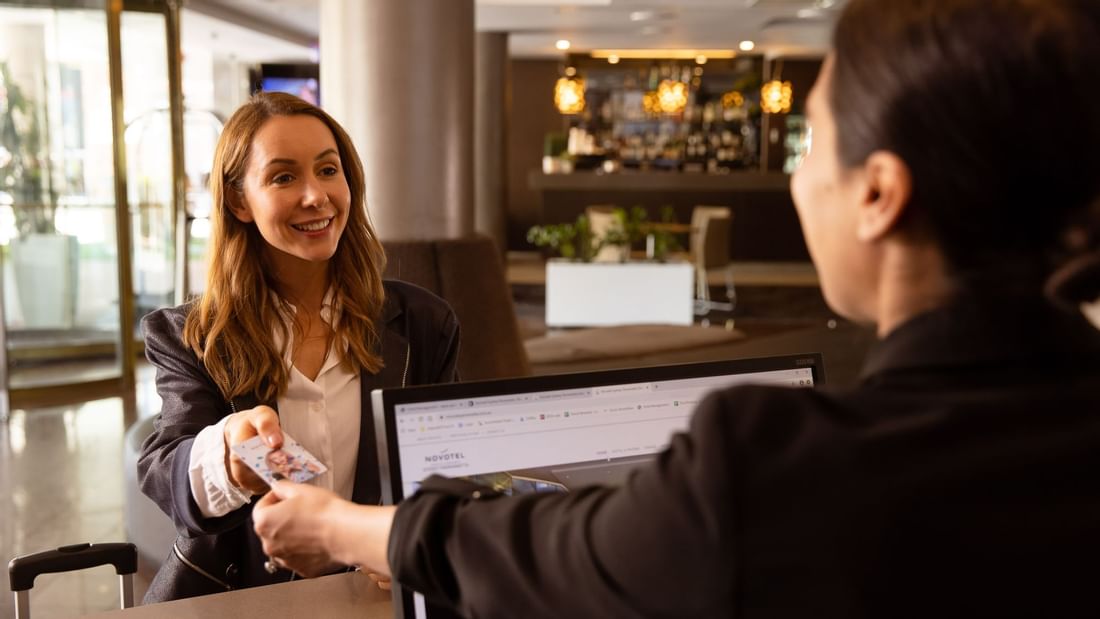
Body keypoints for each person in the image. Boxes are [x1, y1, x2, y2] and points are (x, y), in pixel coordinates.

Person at [253, 0, 1100, 616]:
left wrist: (336, 524)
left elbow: (547, 549)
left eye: (813, 141)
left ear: (878, 193)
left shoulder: (781, 467)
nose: (801, 177)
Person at [138, 91, 460, 602]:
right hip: (238, 599)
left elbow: (447, 467)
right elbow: (165, 476)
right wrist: (227, 455)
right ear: (239, 200)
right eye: (283, 177)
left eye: (328, 170)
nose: (316, 196)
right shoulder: (191, 335)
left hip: (375, 597)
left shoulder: (422, 323)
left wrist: (406, 539)